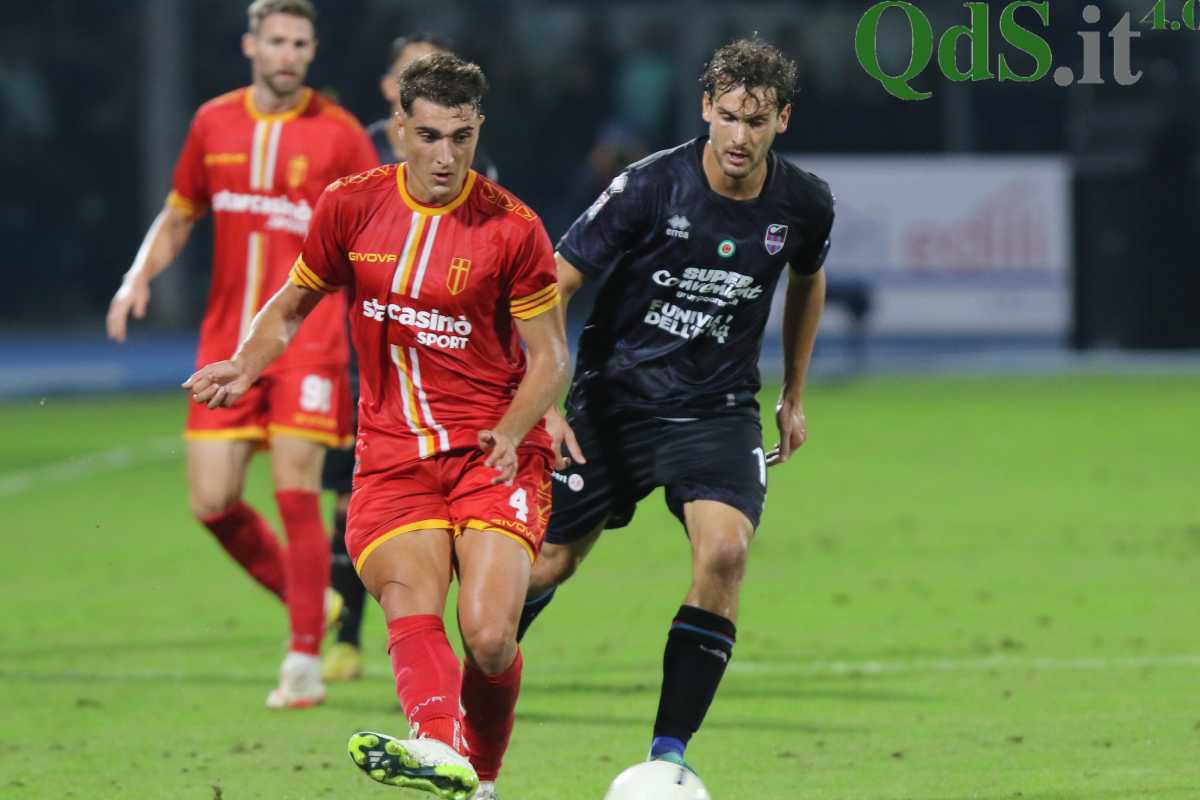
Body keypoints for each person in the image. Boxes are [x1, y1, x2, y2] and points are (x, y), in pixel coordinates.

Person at [184, 53, 567, 800]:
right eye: (429, 135)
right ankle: (441, 749)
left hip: (493, 453)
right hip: (392, 459)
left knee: (489, 638)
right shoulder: (351, 206)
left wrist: (516, 427)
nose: (447, 156)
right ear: (399, 130)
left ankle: (475, 773)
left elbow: (552, 357)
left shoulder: (512, 229)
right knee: (410, 602)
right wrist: (244, 362)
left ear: (477, 129)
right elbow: (292, 302)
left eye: (461, 136)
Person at [516, 38, 835, 774]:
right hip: (614, 404)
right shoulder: (648, 188)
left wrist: (792, 391)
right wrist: (544, 399)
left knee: (725, 552)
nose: (740, 136)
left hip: (716, 410)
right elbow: (551, 286)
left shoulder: (803, 202)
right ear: (705, 109)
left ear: (781, 120)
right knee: (544, 567)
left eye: (757, 121)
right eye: (728, 117)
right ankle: (465, 713)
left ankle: (667, 760)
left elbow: (808, 279)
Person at [105, 0, 376, 709]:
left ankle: (303, 662)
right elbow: (180, 211)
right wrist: (139, 275)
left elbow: (375, 233)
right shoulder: (212, 123)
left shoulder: (342, 136)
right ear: (250, 44)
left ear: (312, 51)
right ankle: (309, 602)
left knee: (295, 491)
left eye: (301, 43)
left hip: (308, 342)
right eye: (277, 41)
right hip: (227, 340)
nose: (289, 54)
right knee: (212, 500)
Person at [322, 31, 501, 686]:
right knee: (349, 494)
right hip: (360, 348)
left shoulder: (470, 169)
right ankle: (347, 634)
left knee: (433, 504)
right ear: (393, 97)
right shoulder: (354, 151)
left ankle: (441, 632)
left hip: (443, 359)